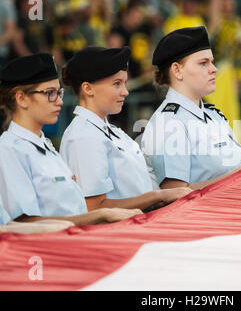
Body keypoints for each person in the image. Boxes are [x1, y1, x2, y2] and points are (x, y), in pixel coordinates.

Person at [0, 53, 142, 226]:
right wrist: (101, 215)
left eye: (59, 93)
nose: (59, 101)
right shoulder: (9, 149)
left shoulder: (44, 146)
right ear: (21, 98)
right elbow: (24, 222)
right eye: (49, 93)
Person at [60, 46, 191, 212]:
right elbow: (94, 208)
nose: (125, 92)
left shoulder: (110, 130)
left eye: (124, 83)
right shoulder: (83, 136)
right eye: (117, 84)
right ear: (88, 88)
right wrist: (158, 196)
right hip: (117, 233)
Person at [141, 26, 241, 190]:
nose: (214, 69)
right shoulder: (168, 123)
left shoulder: (213, 115)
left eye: (212, 62)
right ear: (177, 70)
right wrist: (239, 175)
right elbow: (173, 196)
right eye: (203, 63)